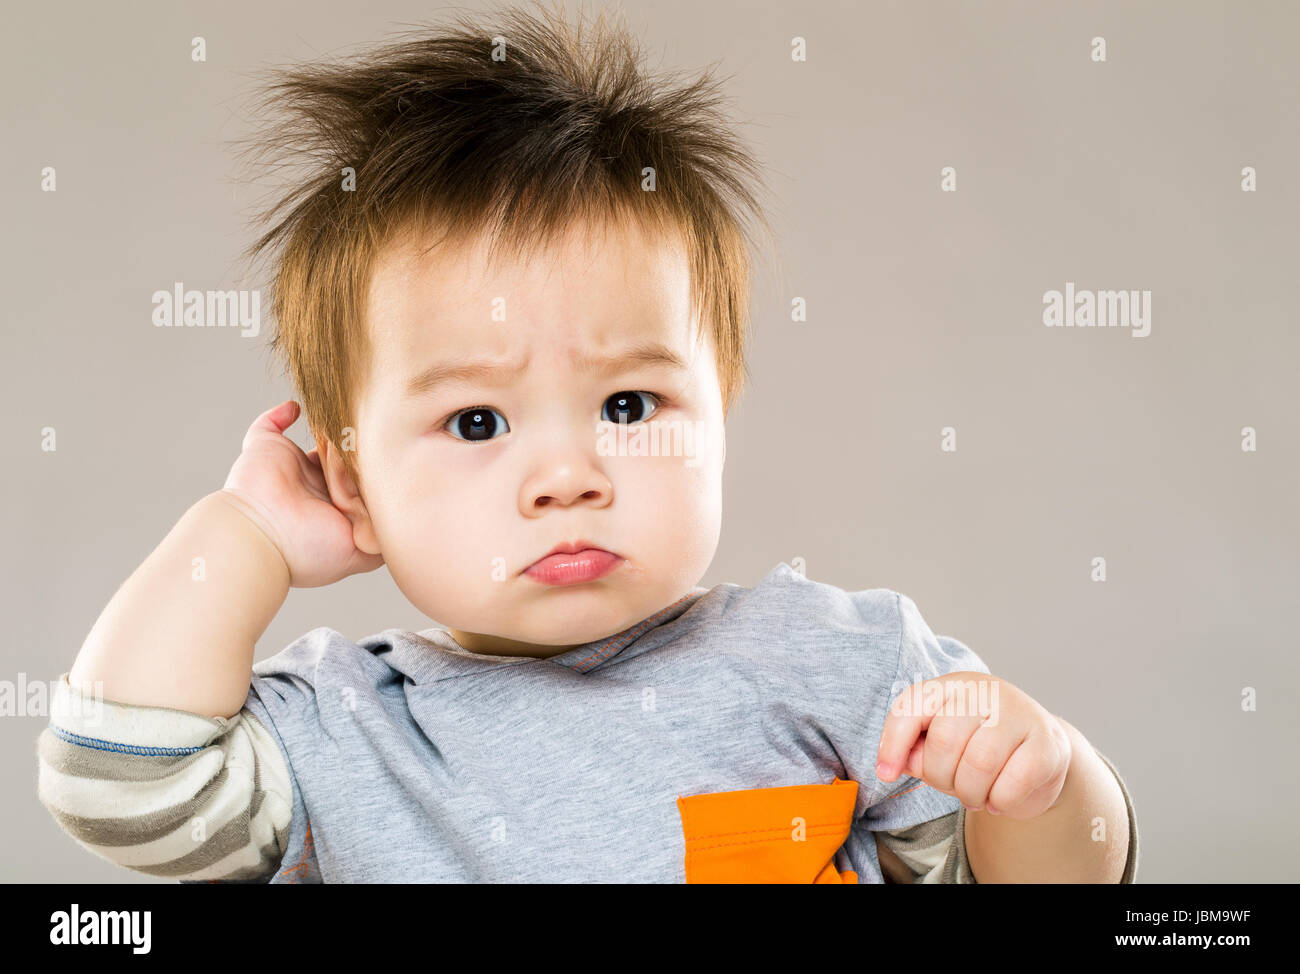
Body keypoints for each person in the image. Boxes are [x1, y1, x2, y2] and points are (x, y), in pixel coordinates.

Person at [36, 2, 1136, 883]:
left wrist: (1041, 784)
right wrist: (245, 533)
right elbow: (112, 784)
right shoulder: (341, 733)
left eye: (627, 406)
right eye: (475, 422)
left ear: (716, 410)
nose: (567, 478)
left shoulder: (840, 666)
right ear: (352, 481)